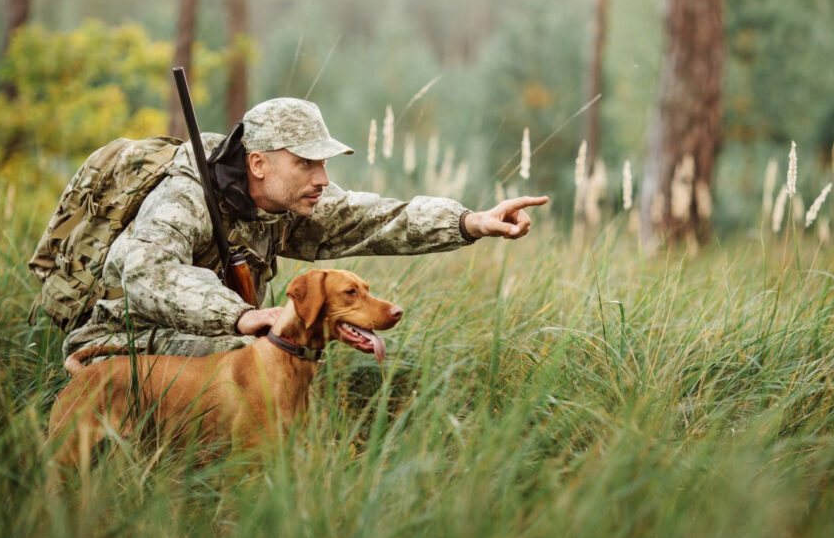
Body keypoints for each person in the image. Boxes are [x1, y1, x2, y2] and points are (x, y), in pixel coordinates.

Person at [64, 98, 548, 358]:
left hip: (210, 337)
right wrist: (240, 317)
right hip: (120, 338)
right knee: (253, 350)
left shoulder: (291, 199)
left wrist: (471, 221)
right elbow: (147, 273)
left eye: (323, 163)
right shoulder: (186, 195)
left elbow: (378, 218)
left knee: (272, 350)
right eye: (305, 163)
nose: (322, 179)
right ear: (257, 163)